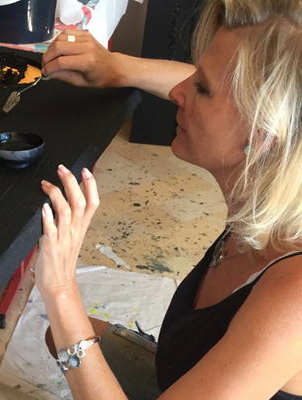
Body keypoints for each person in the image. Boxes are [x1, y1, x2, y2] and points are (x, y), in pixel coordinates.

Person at [34, 0, 302, 399]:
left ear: (263, 133)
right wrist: (116, 67)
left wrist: (59, 288)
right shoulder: (277, 187)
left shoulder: (293, 300)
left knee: (67, 330)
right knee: (59, 335)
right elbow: (230, 89)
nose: (178, 92)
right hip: (181, 366)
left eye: (201, 88)